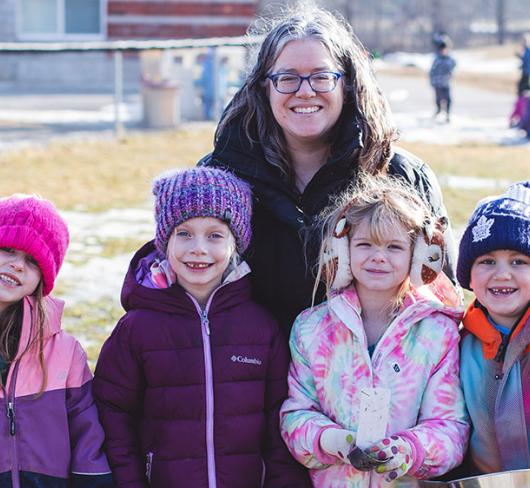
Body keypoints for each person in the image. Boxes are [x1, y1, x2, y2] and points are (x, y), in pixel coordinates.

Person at [200, 4, 457, 335]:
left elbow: (441, 295)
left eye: (322, 76)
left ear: (347, 84)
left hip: (371, 379)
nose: (305, 90)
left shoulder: (402, 176)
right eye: (287, 77)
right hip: (250, 378)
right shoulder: (220, 176)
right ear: (265, 85)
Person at [93, 167, 310, 487]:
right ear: (164, 241)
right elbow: (113, 416)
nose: (198, 248)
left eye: (215, 235)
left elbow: (280, 423)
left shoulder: (260, 328)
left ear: (235, 244)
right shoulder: (137, 329)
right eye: (184, 233)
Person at [279, 175, 469, 487]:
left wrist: (409, 450)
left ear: (419, 256)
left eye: (394, 247)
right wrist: (331, 440)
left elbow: (450, 427)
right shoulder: (310, 330)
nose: (378, 256)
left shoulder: (437, 334)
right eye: (365, 244)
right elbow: (295, 417)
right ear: (341, 251)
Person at [0, 194, 113, 487]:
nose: (17, 265)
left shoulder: (64, 351)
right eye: (8, 249)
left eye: (32, 260)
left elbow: (87, 434)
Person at [457, 180, 530, 475]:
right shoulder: (457, 344)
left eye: (518, 261)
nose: (502, 274)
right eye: (487, 261)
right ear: (469, 278)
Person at [429, 40, 456, 122]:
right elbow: (432, 72)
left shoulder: (449, 59)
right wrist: (432, 81)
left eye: (445, 50)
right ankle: (439, 110)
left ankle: (447, 114)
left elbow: (453, 65)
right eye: (442, 50)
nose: (443, 51)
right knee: (438, 99)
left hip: (446, 83)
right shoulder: (437, 60)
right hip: (438, 83)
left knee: (448, 99)